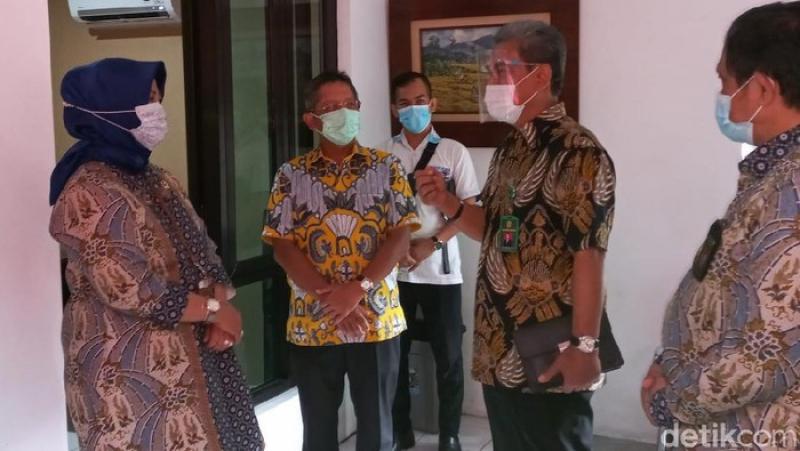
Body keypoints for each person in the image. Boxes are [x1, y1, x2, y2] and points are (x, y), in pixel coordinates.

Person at [415, 21, 617, 451]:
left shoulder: (577, 152)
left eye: (500, 69)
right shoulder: (512, 149)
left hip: (548, 350)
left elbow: (589, 255)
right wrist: (448, 201)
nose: (490, 80)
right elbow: (494, 231)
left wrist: (585, 347)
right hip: (499, 349)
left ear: (540, 74)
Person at [49, 58, 263, 451]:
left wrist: (219, 309)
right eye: (145, 100)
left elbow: (203, 249)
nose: (156, 110)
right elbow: (129, 288)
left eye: (156, 99)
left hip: (200, 354)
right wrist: (215, 311)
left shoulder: (156, 177)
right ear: (110, 107)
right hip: (130, 374)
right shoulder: (88, 189)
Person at [642, 3, 800, 449]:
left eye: (726, 81)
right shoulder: (773, 175)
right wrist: (670, 360)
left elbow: (766, 353)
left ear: (763, 88)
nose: (723, 94)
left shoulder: (793, 190)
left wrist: (671, 401)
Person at [262, 71, 419, 451]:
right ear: (312, 120)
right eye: (330, 107)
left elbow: (401, 235)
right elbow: (282, 245)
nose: (342, 113)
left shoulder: (387, 167)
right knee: (318, 432)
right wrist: (331, 297)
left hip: (375, 320)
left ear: (359, 108)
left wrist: (357, 289)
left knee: (378, 430)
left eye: (349, 104)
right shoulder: (290, 175)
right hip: (314, 321)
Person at [379, 71, 480, 451]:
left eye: (420, 101)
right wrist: (399, 248)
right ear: (394, 109)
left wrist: (432, 244)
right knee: (396, 356)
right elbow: (375, 213)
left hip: (442, 273)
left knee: (449, 357)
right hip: (395, 273)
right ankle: (401, 431)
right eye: (405, 103)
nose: (413, 109)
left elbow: (470, 210)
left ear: (433, 104)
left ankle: (449, 434)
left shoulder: (453, 152)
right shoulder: (381, 155)